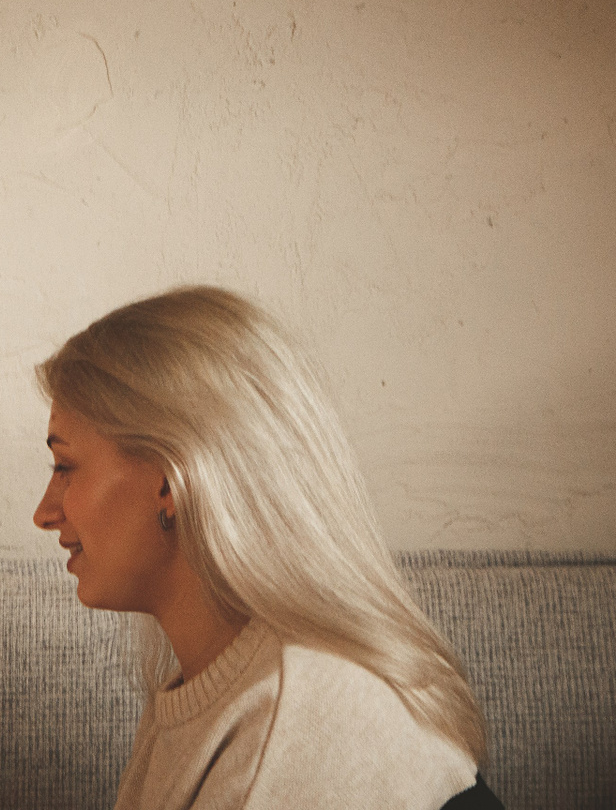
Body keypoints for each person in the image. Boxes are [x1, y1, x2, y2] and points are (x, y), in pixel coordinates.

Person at [32, 287, 505, 810]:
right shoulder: (219, 688)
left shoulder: (301, 728)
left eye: (65, 467)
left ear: (171, 480)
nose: (44, 513)